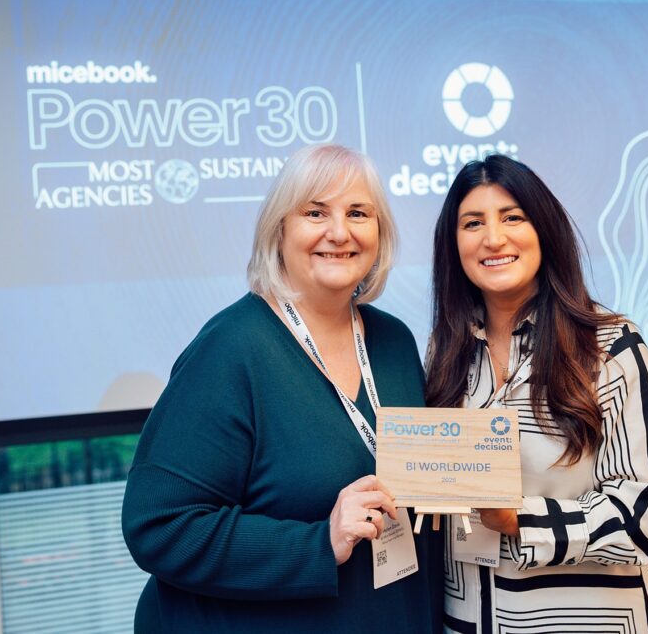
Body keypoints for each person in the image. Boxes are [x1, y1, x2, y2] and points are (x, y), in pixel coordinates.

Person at [122, 144, 442, 633]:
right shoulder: (231, 349)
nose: (339, 232)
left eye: (358, 213)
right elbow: (159, 525)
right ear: (280, 230)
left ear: (380, 233)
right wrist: (317, 543)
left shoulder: (394, 341)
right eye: (315, 212)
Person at [425, 155, 648, 633]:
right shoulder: (445, 355)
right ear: (453, 243)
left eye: (513, 217)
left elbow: (646, 514)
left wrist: (521, 519)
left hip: (583, 619)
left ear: (544, 229)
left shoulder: (611, 347)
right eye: (472, 223)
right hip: (468, 619)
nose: (493, 238)